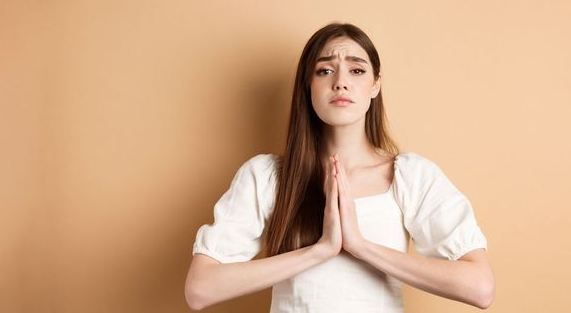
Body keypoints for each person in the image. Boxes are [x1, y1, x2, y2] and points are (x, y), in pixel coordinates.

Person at [184, 23, 494, 312]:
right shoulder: (267, 177)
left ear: (375, 85)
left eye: (357, 70)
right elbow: (200, 289)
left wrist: (360, 245)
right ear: (308, 86)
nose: (341, 82)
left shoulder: (410, 176)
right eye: (325, 70)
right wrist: (320, 250)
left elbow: (479, 288)